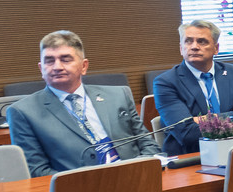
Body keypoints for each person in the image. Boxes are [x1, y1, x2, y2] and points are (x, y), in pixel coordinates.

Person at [8, 30, 158, 176]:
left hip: (136, 178)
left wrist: (139, 172)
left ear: (84, 66)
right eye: (49, 61)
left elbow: (148, 143)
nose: (57, 67)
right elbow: (37, 172)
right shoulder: (23, 112)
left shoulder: (118, 95)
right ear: (41, 69)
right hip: (78, 188)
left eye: (66, 59)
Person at [152, 19, 233, 156]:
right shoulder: (165, 82)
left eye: (202, 42)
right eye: (188, 41)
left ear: (216, 48)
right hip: (192, 156)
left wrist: (206, 119)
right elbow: (187, 133)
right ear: (181, 48)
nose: (194, 46)